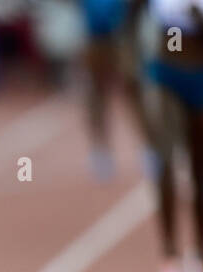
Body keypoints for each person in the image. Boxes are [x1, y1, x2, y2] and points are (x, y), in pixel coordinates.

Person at [130, 0, 203, 272]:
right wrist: (133, 62)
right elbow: (129, 20)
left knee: (201, 174)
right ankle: (169, 259)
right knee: (165, 163)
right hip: (165, 77)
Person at [81, 0, 148, 180]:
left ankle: (147, 149)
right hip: (94, 39)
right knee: (96, 96)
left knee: (133, 92)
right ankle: (101, 151)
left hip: (122, 38)